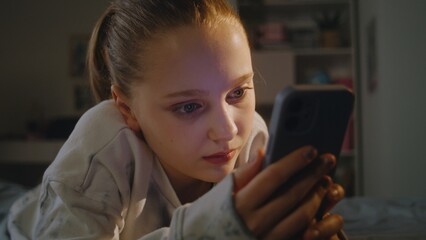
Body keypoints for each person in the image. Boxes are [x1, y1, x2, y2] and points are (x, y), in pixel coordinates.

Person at [3, 0, 345, 239]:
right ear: (127, 109)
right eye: (188, 107)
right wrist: (216, 230)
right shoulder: (101, 147)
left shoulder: (251, 136)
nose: (228, 131)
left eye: (237, 93)